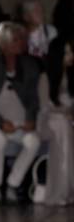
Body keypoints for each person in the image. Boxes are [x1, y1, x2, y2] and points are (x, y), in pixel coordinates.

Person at [0, 22, 41, 203]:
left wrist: (31, 119)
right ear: (4, 43)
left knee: (33, 142)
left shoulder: (29, 66)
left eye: (20, 39)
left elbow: (33, 98)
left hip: (20, 122)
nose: (20, 43)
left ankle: (13, 185)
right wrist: (1, 123)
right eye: (15, 40)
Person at [37, 38, 74, 205]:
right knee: (62, 126)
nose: (70, 55)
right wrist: (65, 112)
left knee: (66, 125)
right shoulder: (46, 77)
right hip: (51, 121)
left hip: (67, 119)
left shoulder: (70, 75)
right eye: (66, 52)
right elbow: (45, 106)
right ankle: (60, 191)